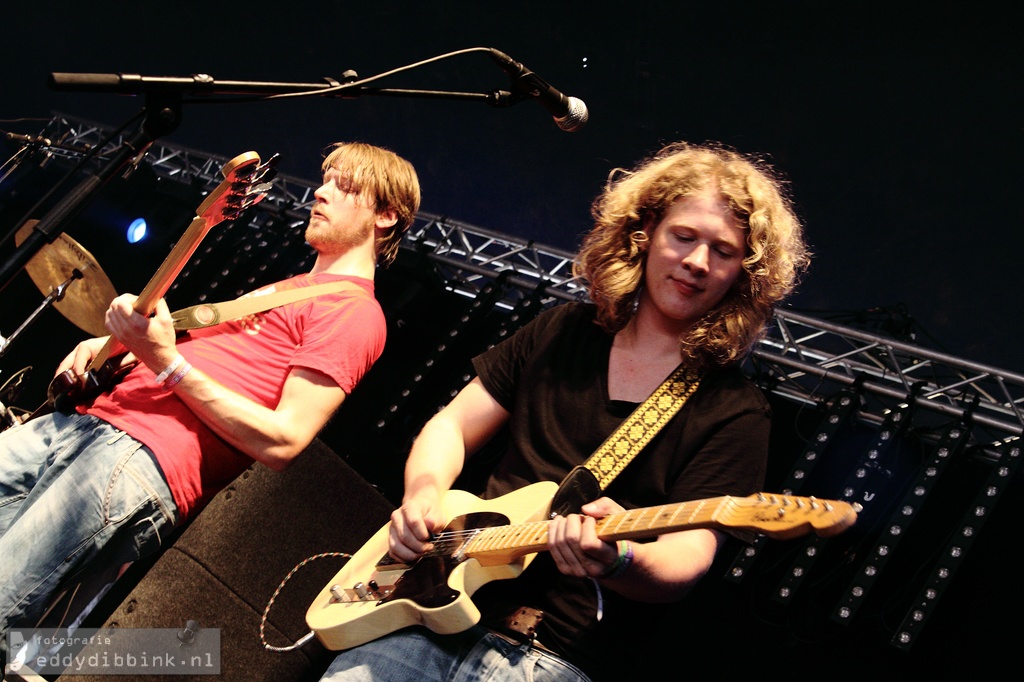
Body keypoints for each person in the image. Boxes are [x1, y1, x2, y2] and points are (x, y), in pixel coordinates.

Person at [318, 141, 810, 682]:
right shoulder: (562, 331)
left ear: (744, 273)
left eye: (723, 251)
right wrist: (423, 496)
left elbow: (687, 558)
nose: (697, 262)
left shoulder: (736, 411)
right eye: (684, 236)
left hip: (553, 656)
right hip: (427, 610)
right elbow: (451, 426)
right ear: (644, 234)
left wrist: (620, 559)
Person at [0, 142, 421, 653]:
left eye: (344, 185)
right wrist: (115, 348)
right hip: (82, 426)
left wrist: (166, 363)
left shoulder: (356, 314)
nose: (321, 191)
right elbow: (189, 354)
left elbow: (285, 441)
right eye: (325, 178)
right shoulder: (290, 287)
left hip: (139, 458)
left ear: (385, 215)